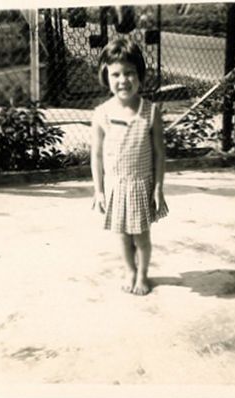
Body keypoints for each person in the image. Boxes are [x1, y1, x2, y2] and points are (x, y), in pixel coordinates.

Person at [91, 38, 168, 296]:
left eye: (129, 73)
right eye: (116, 74)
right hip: (115, 186)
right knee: (122, 235)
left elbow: (159, 154)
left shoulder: (151, 112)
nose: (123, 80)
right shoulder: (101, 113)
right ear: (106, 76)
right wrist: (98, 190)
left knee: (142, 237)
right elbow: (97, 155)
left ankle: (143, 273)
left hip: (141, 185)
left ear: (140, 76)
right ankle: (130, 270)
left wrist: (158, 188)